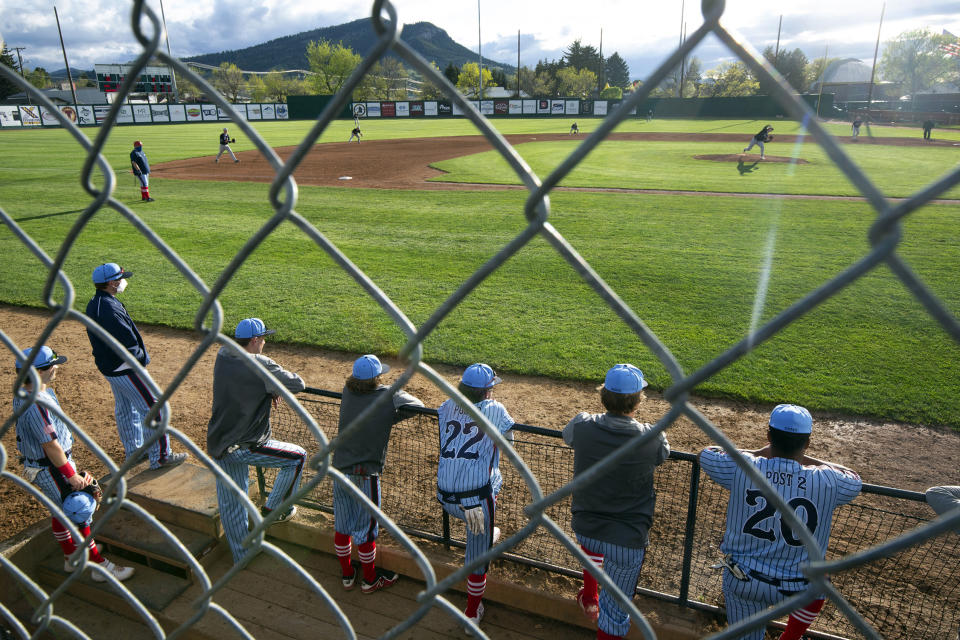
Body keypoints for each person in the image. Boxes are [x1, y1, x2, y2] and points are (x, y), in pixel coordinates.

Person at [699, 404, 862, 640]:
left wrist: (758, 452)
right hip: (800, 588)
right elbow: (854, 477)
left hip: (744, 580)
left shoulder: (742, 466)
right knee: (822, 580)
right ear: (806, 443)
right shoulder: (828, 480)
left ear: (768, 436)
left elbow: (707, 452)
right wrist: (806, 458)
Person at [563, 364, 669, 639]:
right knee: (615, 613)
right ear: (638, 400)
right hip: (627, 539)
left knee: (596, 549)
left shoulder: (582, 423)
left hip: (586, 527)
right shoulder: (651, 434)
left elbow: (568, 437)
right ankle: (597, 602)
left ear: (603, 395)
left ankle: (589, 596)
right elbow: (661, 455)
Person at [13, 345, 135, 582]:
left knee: (61, 511)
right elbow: (50, 446)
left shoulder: (28, 392)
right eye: (51, 364)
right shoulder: (36, 403)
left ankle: (72, 557)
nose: (56, 367)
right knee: (79, 508)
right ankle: (98, 567)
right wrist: (71, 475)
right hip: (51, 466)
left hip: (48, 463)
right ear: (38, 372)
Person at [207, 317, 308, 564]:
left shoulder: (223, 354)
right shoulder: (260, 364)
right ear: (254, 340)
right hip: (246, 444)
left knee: (233, 501)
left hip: (220, 441)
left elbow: (245, 381)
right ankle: (276, 510)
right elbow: (298, 384)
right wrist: (272, 386)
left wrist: (267, 389)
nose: (264, 342)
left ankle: (241, 555)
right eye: (263, 338)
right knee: (297, 457)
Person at [332, 354, 424, 593]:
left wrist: (383, 419)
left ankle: (347, 575)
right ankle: (371, 579)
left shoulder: (347, 391)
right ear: (376, 378)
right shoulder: (387, 395)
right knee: (365, 528)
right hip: (365, 474)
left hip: (339, 468)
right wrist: (388, 418)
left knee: (342, 525)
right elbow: (418, 406)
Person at [85, 263, 187, 470]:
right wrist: (141, 361)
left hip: (110, 367)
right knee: (154, 408)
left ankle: (135, 452)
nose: (124, 281)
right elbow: (128, 344)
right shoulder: (109, 309)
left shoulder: (96, 302)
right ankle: (161, 457)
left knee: (126, 409)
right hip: (125, 368)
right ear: (112, 283)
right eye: (120, 278)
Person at [436, 363, 514, 634]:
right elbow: (508, 443)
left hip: (444, 495)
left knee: (488, 487)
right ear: (487, 390)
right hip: (476, 503)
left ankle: (485, 530)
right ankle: (471, 614)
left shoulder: (446, 406)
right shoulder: (496, 410)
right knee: (477, 554)